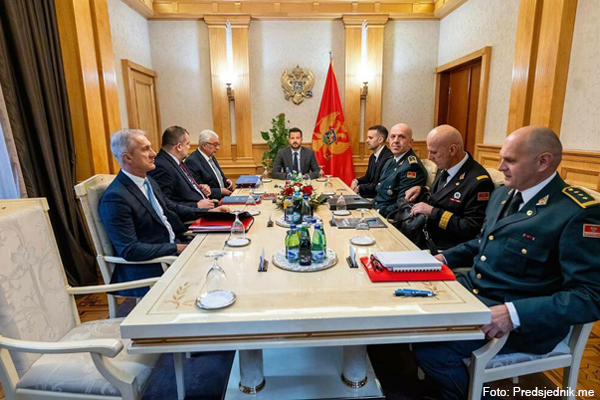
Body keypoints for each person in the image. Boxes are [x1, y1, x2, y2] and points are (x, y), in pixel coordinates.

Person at [413, 126, 600, 400]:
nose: (500, 167)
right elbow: (483, 242)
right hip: (475, 295)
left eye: (510, 160)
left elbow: (590, 297)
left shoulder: (575, 213)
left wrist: (513, 314)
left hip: (521, 320)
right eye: (501, 158)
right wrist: (442, 258)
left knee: (431, 350)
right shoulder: (503, 194)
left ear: (543, 161)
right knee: (411, 316)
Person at [99, 129, 227, 296]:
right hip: (152, 268)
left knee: (225, 255)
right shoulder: (115, 197)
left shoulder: (148, 181)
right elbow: (130, 249)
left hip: (174, 249)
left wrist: (209, 212)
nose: (153, 154)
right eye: (145, 149)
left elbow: (171, 208)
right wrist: (177, 248)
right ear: (127, 158)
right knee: (218, 277)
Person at [405, 125, 495, 250]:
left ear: (452, 150)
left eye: (434, 152)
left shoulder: (479, 182)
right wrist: (422, 189)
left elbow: (471, 228)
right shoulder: (445, 166)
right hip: (425, 236)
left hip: (447, 247)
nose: (429, 157)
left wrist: (433, 212)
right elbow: (443, 194)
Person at [148, 125, 228, 210]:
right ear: (179, 147)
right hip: (194, 214)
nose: (189, 147)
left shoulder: (178, 161)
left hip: (206, 206)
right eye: (188, 144)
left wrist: (200, 188)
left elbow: (182, 190)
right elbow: (165, 204)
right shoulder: (161, 166)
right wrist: (196, 206)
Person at [372, 123, 426, 217]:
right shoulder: (390, 161)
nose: (396, 141)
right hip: (376, 209)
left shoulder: (412, 167)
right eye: (393, 136)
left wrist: (378, 212)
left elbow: (403, 204)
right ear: (389, 140)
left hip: (389, 218)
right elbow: (380, 193)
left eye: (401, 137)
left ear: (410, 142)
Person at [185, 129, 233, 199]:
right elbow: (198, 189)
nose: (218, 148)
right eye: (215, 145)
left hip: (224, 197)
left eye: (218, 145)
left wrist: (226, 181)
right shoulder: (192, 161)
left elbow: (215, 176)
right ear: (204, 145)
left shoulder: (211, 156)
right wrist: (220, 191)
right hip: (211, 201)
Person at [350, 125, 393, 197]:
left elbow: (380, 184)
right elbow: (368, 177)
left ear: (380, 140)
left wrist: (360, 188)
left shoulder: (388, 157)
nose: (367, 141)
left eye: (370, 138)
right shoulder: (372, 157)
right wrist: (356, 181)